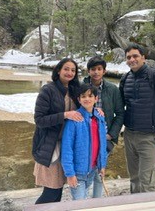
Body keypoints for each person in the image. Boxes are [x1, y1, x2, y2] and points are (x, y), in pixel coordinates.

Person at [119, 43, 155, 193]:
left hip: (149, 138)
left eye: (135, 56)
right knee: (134, 179)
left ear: (143, 57)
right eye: (129, 57)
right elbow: (120, 107)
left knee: (147, 182)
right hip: (130, 135)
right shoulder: (126, 78)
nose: (132, 59)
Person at [32, 58, 83, 204]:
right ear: (59, 70)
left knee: (58, 190)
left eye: (73, 70)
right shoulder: (48, 90)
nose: (69, 73)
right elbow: (39, 120)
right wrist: (64, 115)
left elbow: (84, 107)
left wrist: (95, 110)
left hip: (67, 146)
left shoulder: (74, 90)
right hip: (50, 146)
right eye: (66, 69)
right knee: (51, 191)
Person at [83, 56, 124, 198]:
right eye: (93, 69)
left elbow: (119, 113)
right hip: (85, 137)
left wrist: (111, 135)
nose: (96, 72)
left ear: (104, 71)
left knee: (100, 170)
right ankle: (83, 201)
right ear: (88, 71)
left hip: (105, 137)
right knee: (86, 170)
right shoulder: (80, 87)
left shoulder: (112, 89)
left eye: (99, 69)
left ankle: (96, 201)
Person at [61, 83, 107, 200]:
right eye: (83, 96)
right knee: (79, 202)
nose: (87, 99)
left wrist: (102, 165)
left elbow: (102, 144)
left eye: (90, 96)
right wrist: (70, 174)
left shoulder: (99, 118)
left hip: (92, 169)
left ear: (96, 98)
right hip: (78, 172)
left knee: (85, 197)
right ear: (79, 99)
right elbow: (67, 148)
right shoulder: (75, 120)